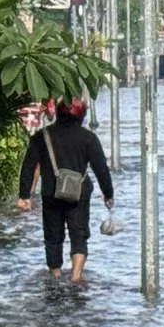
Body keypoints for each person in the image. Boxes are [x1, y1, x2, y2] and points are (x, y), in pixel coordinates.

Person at [17, 97, 115, 285]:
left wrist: (24, 196)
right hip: (78, 194)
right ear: (82, 116)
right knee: (79, 235)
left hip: (51, 193)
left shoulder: (42, 136)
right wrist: (108, 194)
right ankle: (76, 276)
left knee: (53, 237)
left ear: (58, 113)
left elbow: (28, 166)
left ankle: (55, 275)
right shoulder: (88, 138)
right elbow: (101, 168)